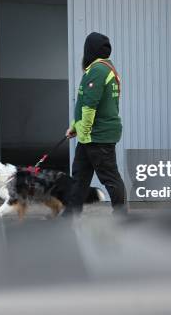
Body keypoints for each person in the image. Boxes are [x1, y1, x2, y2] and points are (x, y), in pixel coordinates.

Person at [64, 32, 127, 216]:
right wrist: (74, 128)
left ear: (89, 50)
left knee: (110, 178)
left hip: (96, 136)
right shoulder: (106, 68)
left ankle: (122, 216)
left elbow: (90, 106)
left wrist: (83, 132)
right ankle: (70, 214)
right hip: (90, 136)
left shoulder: (98, 70)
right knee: (80, 177)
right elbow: (84, 103)